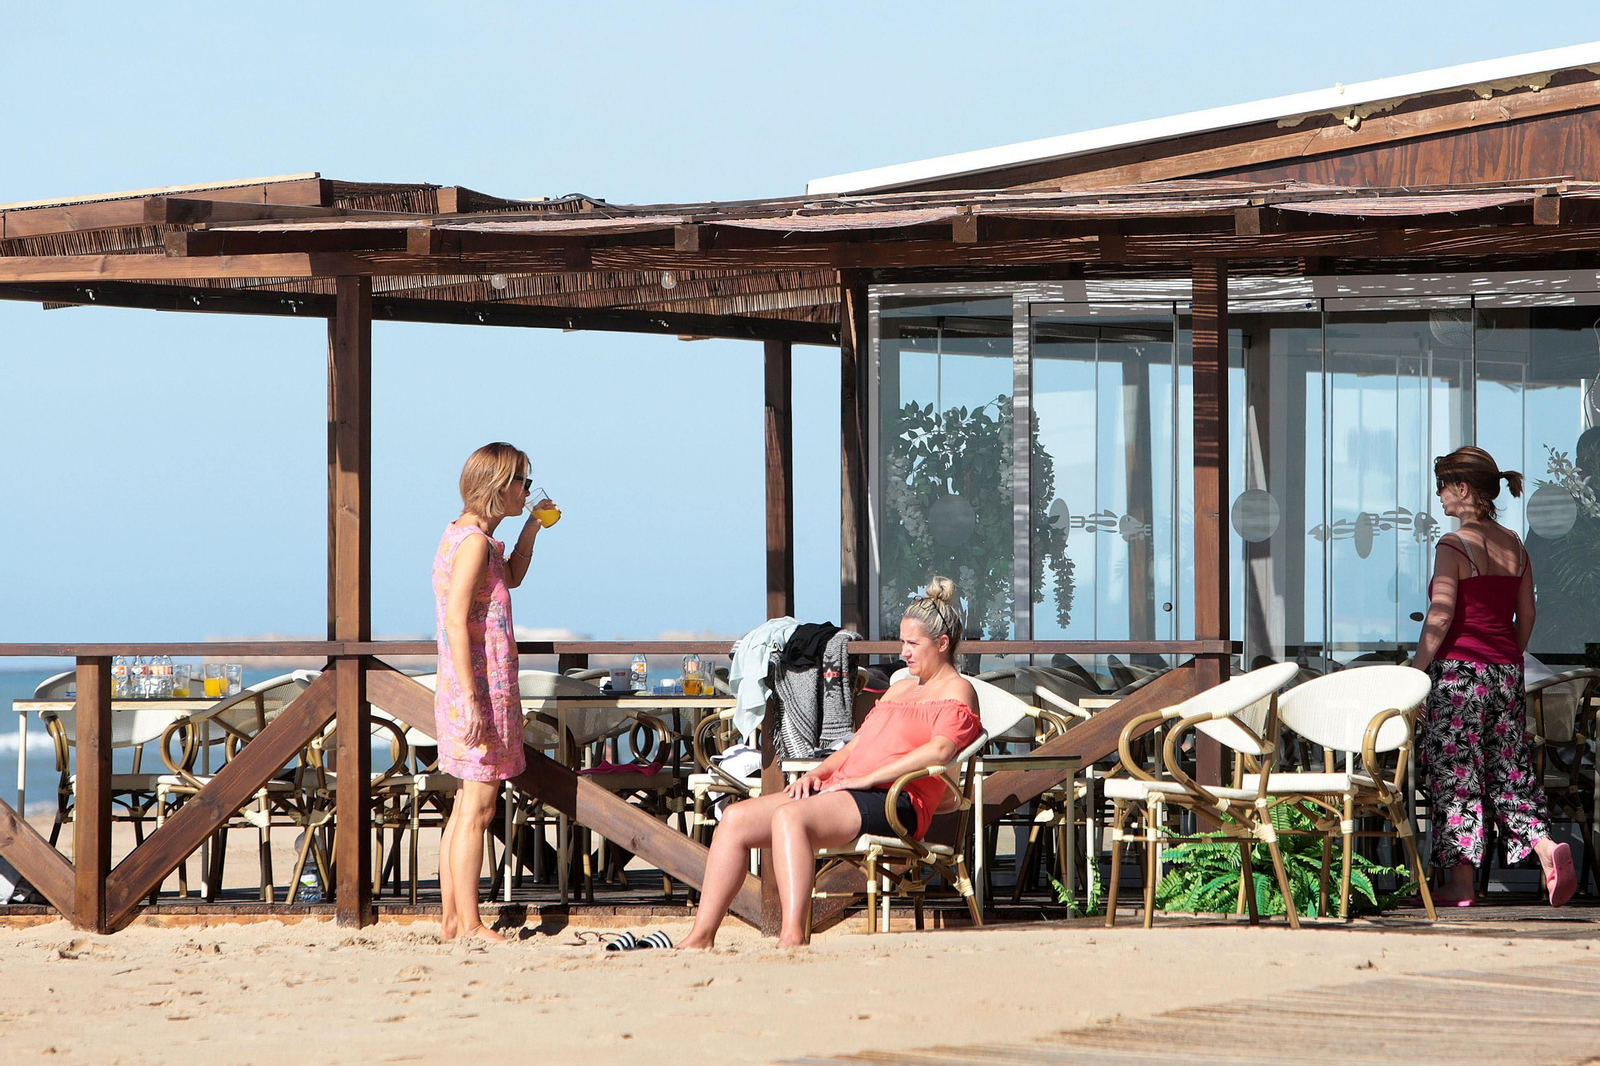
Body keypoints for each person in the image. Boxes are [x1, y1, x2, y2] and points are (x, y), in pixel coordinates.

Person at [679, 577, 983, 949]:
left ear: (942, 643)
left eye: (912, 643)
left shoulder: (958, 690)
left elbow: (939, 752)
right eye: (902, 641)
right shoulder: (901, 687)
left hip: (894, 798)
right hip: (847, 786)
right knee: (735, 819)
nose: (904, 652)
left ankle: (792, 937)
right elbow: (856, 745)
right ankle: (701, 936)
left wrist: (866, 779)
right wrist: (817, 773)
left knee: (790, 818)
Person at [1412, 445, 1575, 907]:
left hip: (1460, 676)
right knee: (1509, 772)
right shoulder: (1515, 547)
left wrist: (1413, 673)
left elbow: (1439, 619)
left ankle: (1462, 885)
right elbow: (1528, 614)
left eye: (1443, 487)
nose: (1440, 498)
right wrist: (1506, 657)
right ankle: (1545, 847)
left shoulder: (1454, 545)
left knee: (1456, 775)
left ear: (1463, 489)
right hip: (1504, 673)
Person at [432, 442, 555, 940]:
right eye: (522, 482)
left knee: (466, 806)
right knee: (479, 810)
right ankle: (470, 924)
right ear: (498, 486)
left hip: (475, 688)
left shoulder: (471, 538)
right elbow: (457, 623)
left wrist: (531, 527)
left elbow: (514, 579)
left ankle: (452, 921)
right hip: (477, 689)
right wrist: (474, 699)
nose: (527, 490)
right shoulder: (474, 543)